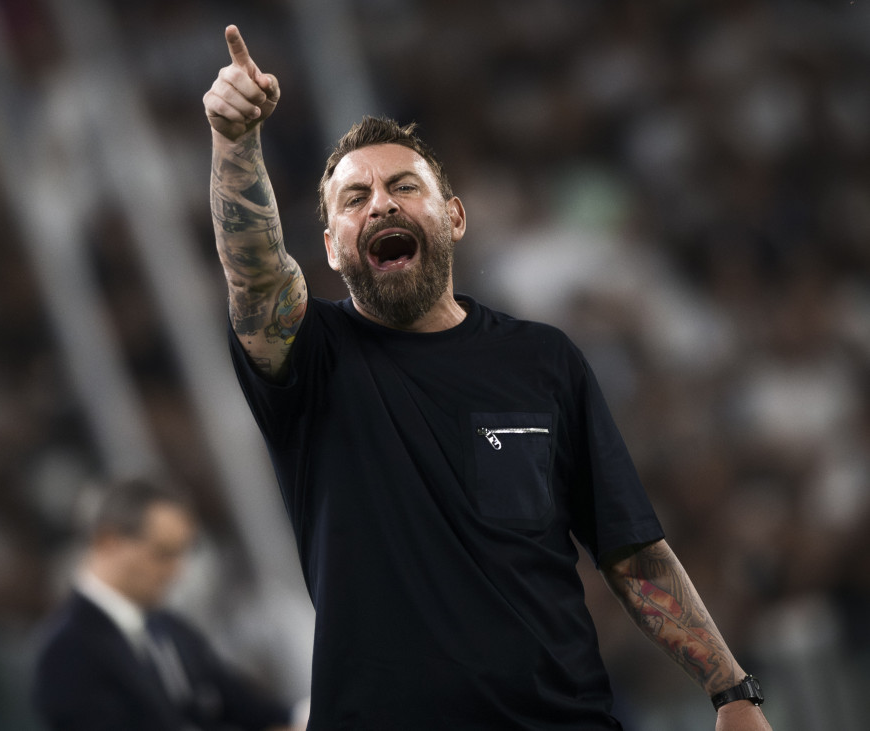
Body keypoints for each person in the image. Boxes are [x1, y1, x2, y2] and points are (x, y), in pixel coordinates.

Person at [203, 24, 772, 731]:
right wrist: (235, 139)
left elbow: (632, 551)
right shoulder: (311, 358)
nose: (379, 202)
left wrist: (732, 689)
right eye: (353, 199)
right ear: (329, 247)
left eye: (403, 185)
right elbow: (255, 272)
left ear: (455, 216)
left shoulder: (543, 359)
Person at [31, 476, 303, 731]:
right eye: (163, 554)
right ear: (108, 542)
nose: (177, 571)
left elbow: (251, 709)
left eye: (182, 554)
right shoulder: (66, 651)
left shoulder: (169, 628)